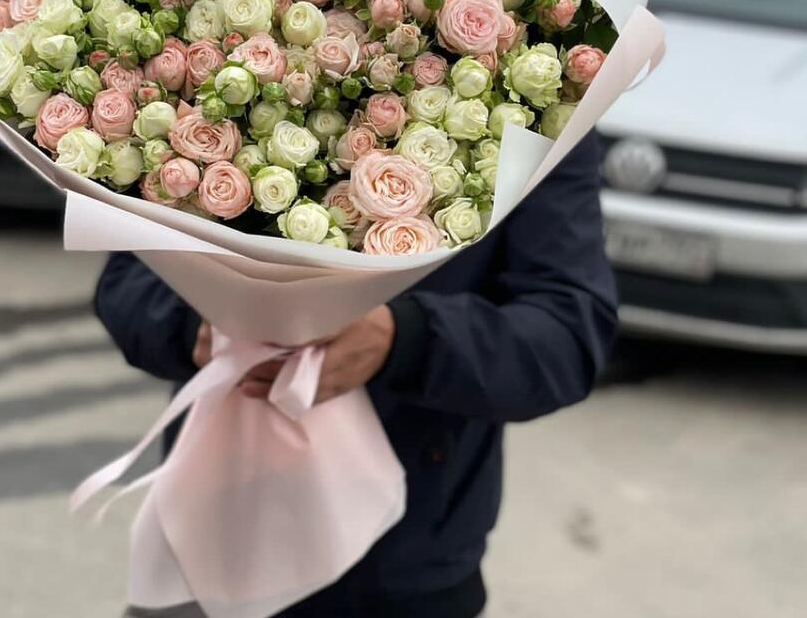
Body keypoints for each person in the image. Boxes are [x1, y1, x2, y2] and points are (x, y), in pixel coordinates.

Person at [95, 131, 617, 618]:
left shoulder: (542, 118)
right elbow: (127, 283)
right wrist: (198, 324)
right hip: (207, 534)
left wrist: (404, 340)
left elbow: (567, 336)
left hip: (407, 562)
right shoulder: (215, 74)